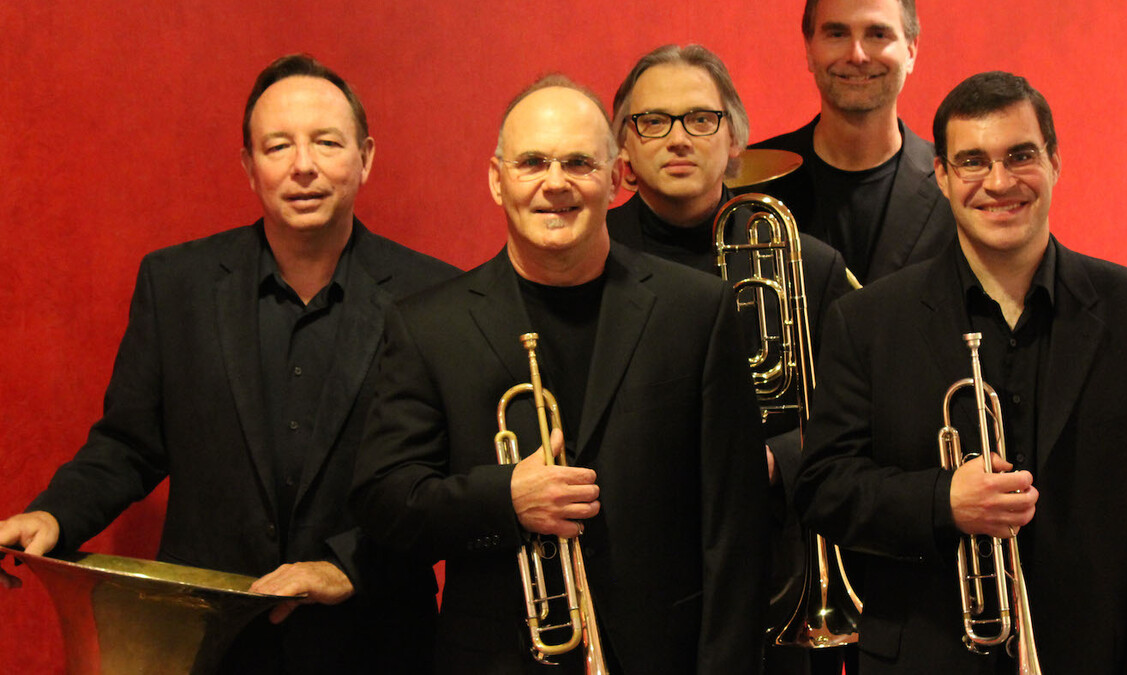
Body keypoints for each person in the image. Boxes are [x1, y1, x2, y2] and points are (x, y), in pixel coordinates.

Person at [0, 54, 458, 674]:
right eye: (277, 146)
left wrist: (348, 565)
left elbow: (444, 483)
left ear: (366, 157)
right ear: (248, 166)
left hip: (375, 642)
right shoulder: (175, 284)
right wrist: (54, 513)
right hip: (207, 647)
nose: (303, 166)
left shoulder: (435, 297)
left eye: (327, 142)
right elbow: (128, 445)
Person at [351, 75, 769, 674]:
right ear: (497, 180)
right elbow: (383, 501)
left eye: (578, 162)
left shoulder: (696, 311)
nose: (555, 184)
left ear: (616, 176)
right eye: (532, 163)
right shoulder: (427, 326)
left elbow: (737, 528)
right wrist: (505, 497)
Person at [792, 70, 1127, 674]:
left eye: (1022, 156)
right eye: (973, 162)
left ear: (1056, 161)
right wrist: (941, 500)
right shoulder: (866, 322)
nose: (1000, 183)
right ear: (942, 176)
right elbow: (824, 489)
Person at [608, 43, 854, 674]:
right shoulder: (588, 259)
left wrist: (780, 460)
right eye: (652, 122)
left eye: (701, 119)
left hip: (774, 566)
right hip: (629, 567)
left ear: (736, 142)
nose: (678, 138)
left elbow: (856, 415)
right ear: (624, 154)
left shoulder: (809, 263)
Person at [748, 0, 954, 284]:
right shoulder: (748, 185)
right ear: (809, 49)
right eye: (837, 34)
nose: (857, 55)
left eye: (878, 35)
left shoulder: (957, 186)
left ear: (911, 51)